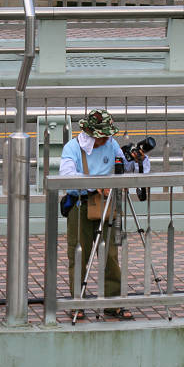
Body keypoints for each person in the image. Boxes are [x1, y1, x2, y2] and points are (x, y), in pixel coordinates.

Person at [59, 108, 151, 321]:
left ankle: (113, 303)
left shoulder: (112, 144)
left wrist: (137, 159)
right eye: (103, 135)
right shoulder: (73, 148)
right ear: (91, 133)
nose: (107, 139)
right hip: (81, 205)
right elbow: (67, 176)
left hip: (108, 204)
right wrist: (97, 185)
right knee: (79, 254)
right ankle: (77, 303)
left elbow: (125, 167)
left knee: (110, 255)